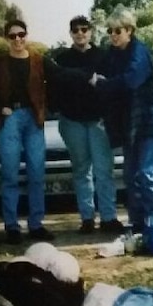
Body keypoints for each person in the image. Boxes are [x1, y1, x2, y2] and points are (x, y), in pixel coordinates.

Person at [0, 19, 87, 244]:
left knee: (36, 173)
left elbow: (61, 74)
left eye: (21, 34)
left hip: (34, 118)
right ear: (6, 39)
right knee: (10, 173)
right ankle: (11, 226)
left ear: (26, 35)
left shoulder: (39, 61)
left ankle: (36, 224)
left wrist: (88, 75)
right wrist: (0, 107)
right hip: (10, 119)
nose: (18, 39)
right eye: (12, 36)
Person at [93, 6, 153, 232]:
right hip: (128, 123)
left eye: (118, 30)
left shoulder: (139, 51)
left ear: (130, 30)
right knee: (130, 175)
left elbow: (132, 79)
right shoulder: (111, 56)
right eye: (110, 31)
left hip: (148, 119)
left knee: (147, 173)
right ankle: (136, 222)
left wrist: (105, 84)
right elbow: (99, 77)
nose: (114, 35)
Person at [53, 16, 122, 234]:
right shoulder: (62, 58)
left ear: (91, 32)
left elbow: (111, 88)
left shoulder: (105, 56)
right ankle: (87, 218)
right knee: (81, 170)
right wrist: (86, 77)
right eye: (75, 30)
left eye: (84, 29)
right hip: (72, 121)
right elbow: (58, 85)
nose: (80, 33)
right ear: (71, 33)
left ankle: (109, 217)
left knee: (104, 170)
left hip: (98, 121)